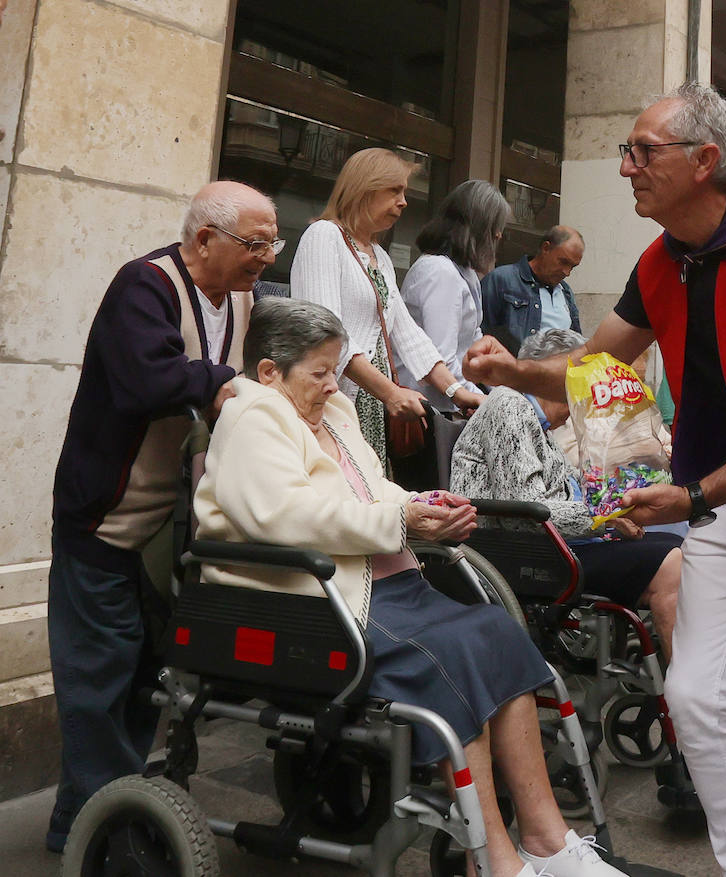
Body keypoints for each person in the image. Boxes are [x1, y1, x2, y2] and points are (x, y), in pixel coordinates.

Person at [463, 82, 726, 877]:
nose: (625, 166)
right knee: (696, 699)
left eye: (641, 151)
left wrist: (692, 496)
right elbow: (595, 367)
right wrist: (515, 368)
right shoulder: (662, 260)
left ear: (705, 162)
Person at [194, 298, 627, 877]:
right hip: (315, 596)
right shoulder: (254, 417)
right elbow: (283, 517)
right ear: (270, 372)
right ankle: (495, 860)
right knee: (447, 656)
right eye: (318, 373)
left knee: (495, 630)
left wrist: (424, 506)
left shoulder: (337, 414)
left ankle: (547, 837)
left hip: (375, 583)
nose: (331, 385)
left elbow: (375, 490)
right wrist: (400, 523)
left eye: (333, 371)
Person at [46, 181, 273, 852]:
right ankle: (109, 834)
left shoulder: (239, 296)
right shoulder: (143, 286)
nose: (265, 255)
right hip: (103, 518)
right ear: (204, 238)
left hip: (161, 525)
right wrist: (223, 385)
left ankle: (83, 821)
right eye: (254, 242)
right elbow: (150, 378)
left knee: (145, 676)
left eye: (271, 242)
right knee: (98, 677)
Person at [451, 328, 684, 650]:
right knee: (673, 562)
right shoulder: (508, 403)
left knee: (684, 548)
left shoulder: (538, 421)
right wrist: (605, 515)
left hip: (559, 544)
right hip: (529, 553)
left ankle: (682, 681)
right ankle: (682, 691)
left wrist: (623, 499)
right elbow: (523, 510)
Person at [292, 148, 482, 467]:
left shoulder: (380, 257)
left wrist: (457, 392)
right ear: (364, 188)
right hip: (330, 402)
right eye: (395, 190)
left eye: (404, 191)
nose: (404, 201)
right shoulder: (323, 236)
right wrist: (391, 393)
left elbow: (410, 337)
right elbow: (324, 335)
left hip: (370, 403)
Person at [399, 179, 508, 411]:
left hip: (447, 403)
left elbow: (470, 344)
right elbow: (441, 357)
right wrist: (485, 400)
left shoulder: (463, 272)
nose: (498, 235)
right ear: (478, 228)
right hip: (429, 408)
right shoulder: (440, 272)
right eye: (495, 227)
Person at [482, 225, 584, 352]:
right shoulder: (501, 280)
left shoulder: (565, 291)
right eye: (563, 262)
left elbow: (577, 341)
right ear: (546, 248)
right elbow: (480, 332)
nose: (567, 272)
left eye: (572, 267)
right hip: (514, 368)